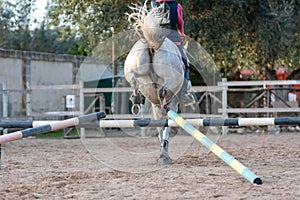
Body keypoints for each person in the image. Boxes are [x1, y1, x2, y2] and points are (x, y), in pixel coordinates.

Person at [153, 0, 192, 104]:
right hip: (173, 39)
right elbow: (180, 23)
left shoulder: (153, 3)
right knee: (185, 64)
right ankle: (183, 94)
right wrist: (182, 34)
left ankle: (138, 92)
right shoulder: (177, 6)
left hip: (156, 39)